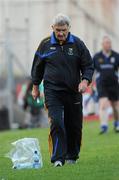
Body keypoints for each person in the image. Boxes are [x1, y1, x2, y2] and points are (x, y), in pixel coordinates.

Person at [31, 13, 94, 167]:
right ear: (52, 28)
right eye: (58, 30)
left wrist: (85, 81)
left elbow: (88, 65)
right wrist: (35, 88)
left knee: (74, 125)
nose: (60, 33)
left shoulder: (78, 44)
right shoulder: (45, 44)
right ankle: (58, 159)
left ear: (69, 28)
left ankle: (72, 156)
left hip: (74, 92)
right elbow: (37, 68)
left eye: (63, 30)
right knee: (57, 122)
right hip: (53, 92)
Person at [93, 36, 119, 134]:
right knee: (103, 104)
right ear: (102, 45)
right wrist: (91, 83)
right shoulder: (97, 56)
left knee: (115, 106)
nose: (108, 45)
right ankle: (104, 126)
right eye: (106, 43)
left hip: (114, 83)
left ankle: (117, 123)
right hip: (102, 83)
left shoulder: (116, 56)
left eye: (109, 43)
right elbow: (92, 71)